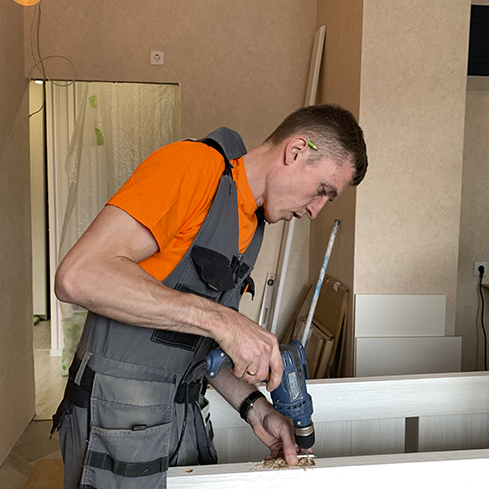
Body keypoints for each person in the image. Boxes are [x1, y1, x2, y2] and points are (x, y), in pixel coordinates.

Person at [51, 104, 368, 488]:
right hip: (116, 419)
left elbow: (199, 347)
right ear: (296, 150)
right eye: (322, 191)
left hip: (181, 415)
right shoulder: (192, 166)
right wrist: (224, 320)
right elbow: (78, 276)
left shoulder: (250, 221)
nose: (316, 210)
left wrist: (256, 409)